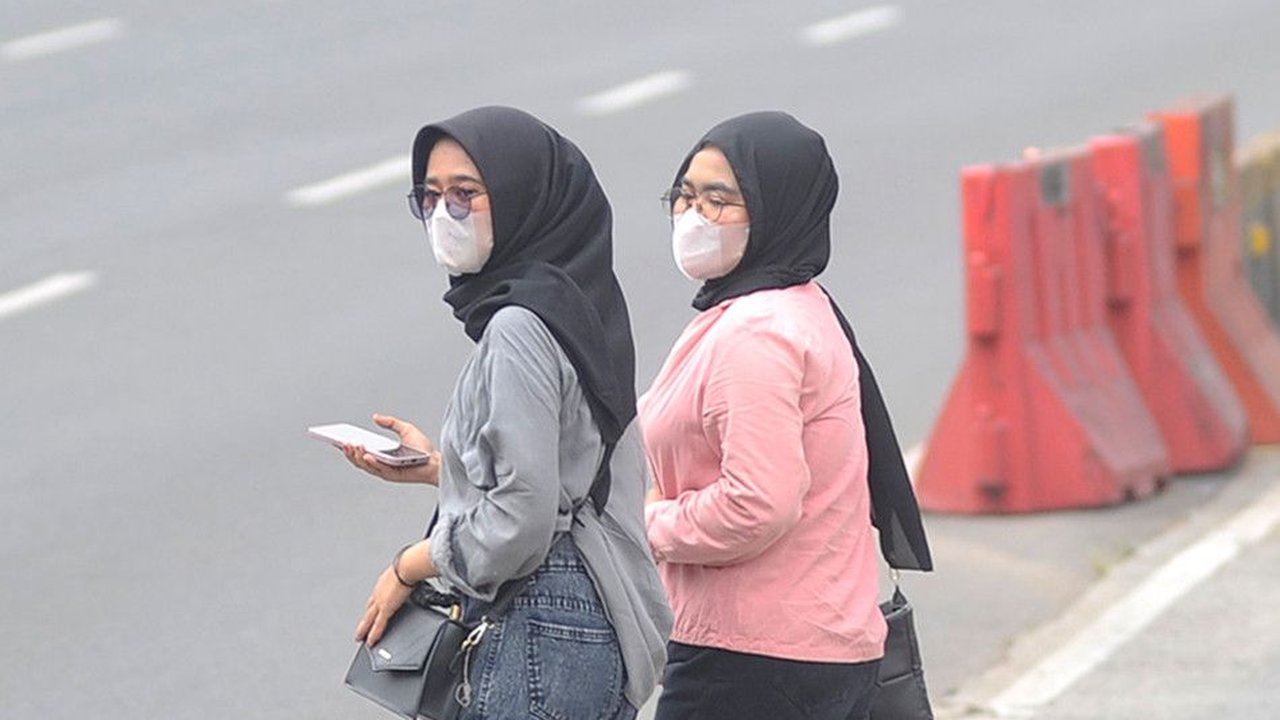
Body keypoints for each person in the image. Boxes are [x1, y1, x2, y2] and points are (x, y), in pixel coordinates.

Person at [337, 106, 672, 720]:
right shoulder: (576, 306)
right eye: (430, 196)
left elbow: (523, 517)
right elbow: (560, 468)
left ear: (524, 198)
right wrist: (447, 468)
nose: (444, 215)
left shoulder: (519, 327)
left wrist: (409, 566)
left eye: (467, 194)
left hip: (545, 620)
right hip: (590, 622)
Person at [639, 112, 931, 720]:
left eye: (720, 200)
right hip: (798, 648)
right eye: (685, 195)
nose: (694, 216)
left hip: (755, 661)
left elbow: (757, 504)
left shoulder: (758, 333)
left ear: (778, 209)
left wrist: (651, 527)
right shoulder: (784, 306)